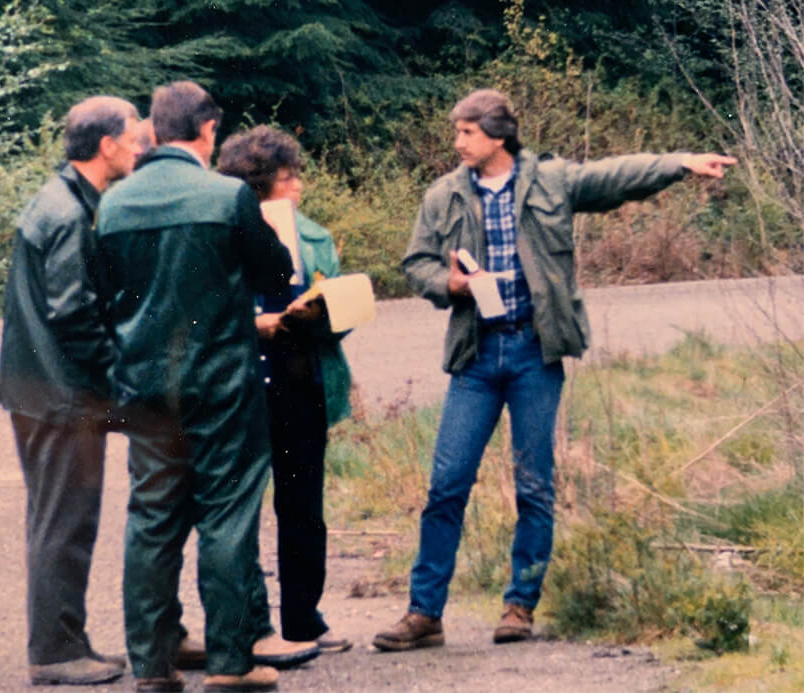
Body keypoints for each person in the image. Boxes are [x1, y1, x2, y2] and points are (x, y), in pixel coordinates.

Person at [372, 88, 736, 651]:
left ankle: (520, 606)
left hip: (534, 354)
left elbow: (615, 176)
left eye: (465, 132)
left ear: (496, 134)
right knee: (446, 485)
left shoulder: (550, 181)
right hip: (474, 356)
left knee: (534, 485)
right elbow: (416, 262)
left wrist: (678, 165)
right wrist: (451, 283)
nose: (456, 143)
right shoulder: (442, 195)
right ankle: (425, 613)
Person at [94, 81, 302, 693]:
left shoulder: (113, 205)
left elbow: (103, 293)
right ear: (208, 130)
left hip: (143, 387)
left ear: (154, 132)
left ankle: (153, 664)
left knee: (152, 519)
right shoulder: (228, 195)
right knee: (227, 517)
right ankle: (232, 661)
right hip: (222, 385)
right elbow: (276, 270)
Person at [0, 96, 142, 686]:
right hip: (59, 396)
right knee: (65, 522)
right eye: (133, 139)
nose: (138, 148)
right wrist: (121, 379)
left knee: (60, 519)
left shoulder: (64, 200)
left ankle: (67, 640)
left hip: (43, 391)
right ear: (106, 146)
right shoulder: (69, 214)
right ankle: (56, 654)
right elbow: (73, 314)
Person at [217, 126, 353, 653]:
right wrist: (258, 322)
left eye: (296, 176)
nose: (297, 186)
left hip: (303, 383)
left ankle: (303, 618)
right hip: (243, 385)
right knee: (240, 510)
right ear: (255, 186)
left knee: (302, 509)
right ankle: (250, 625)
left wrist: (324, 312)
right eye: (286, 178)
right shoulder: (222, 233)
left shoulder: (314, 235)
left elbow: (341, 312)